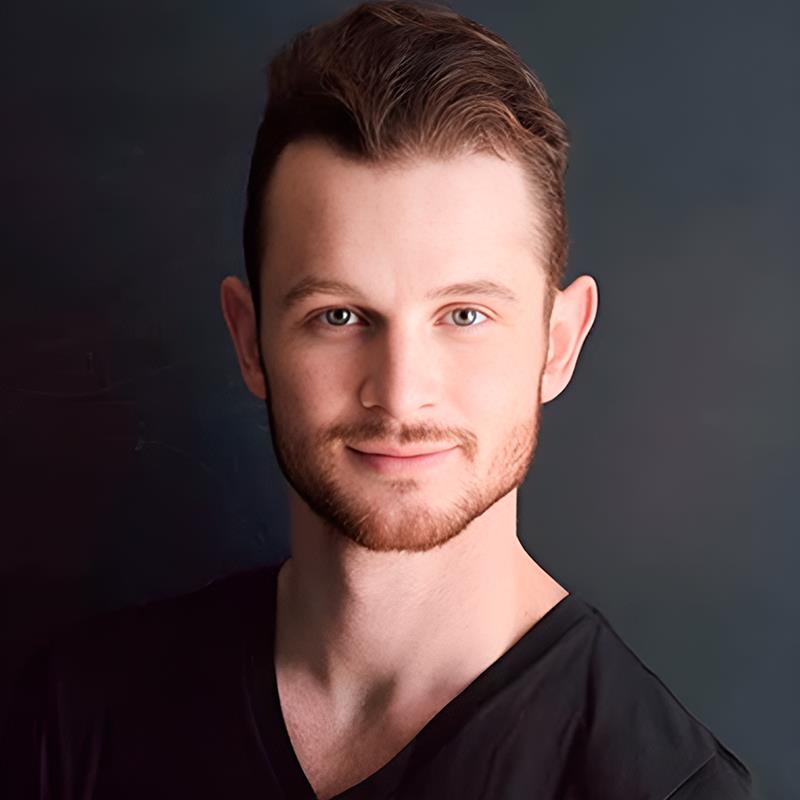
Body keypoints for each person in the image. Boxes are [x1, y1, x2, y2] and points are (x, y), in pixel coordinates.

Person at [0, 2, 763, 798]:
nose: (400, 393)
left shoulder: (665, 788)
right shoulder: (81, 715)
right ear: (250, 340)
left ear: (558, 343)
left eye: (464, 315)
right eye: (339, 316)